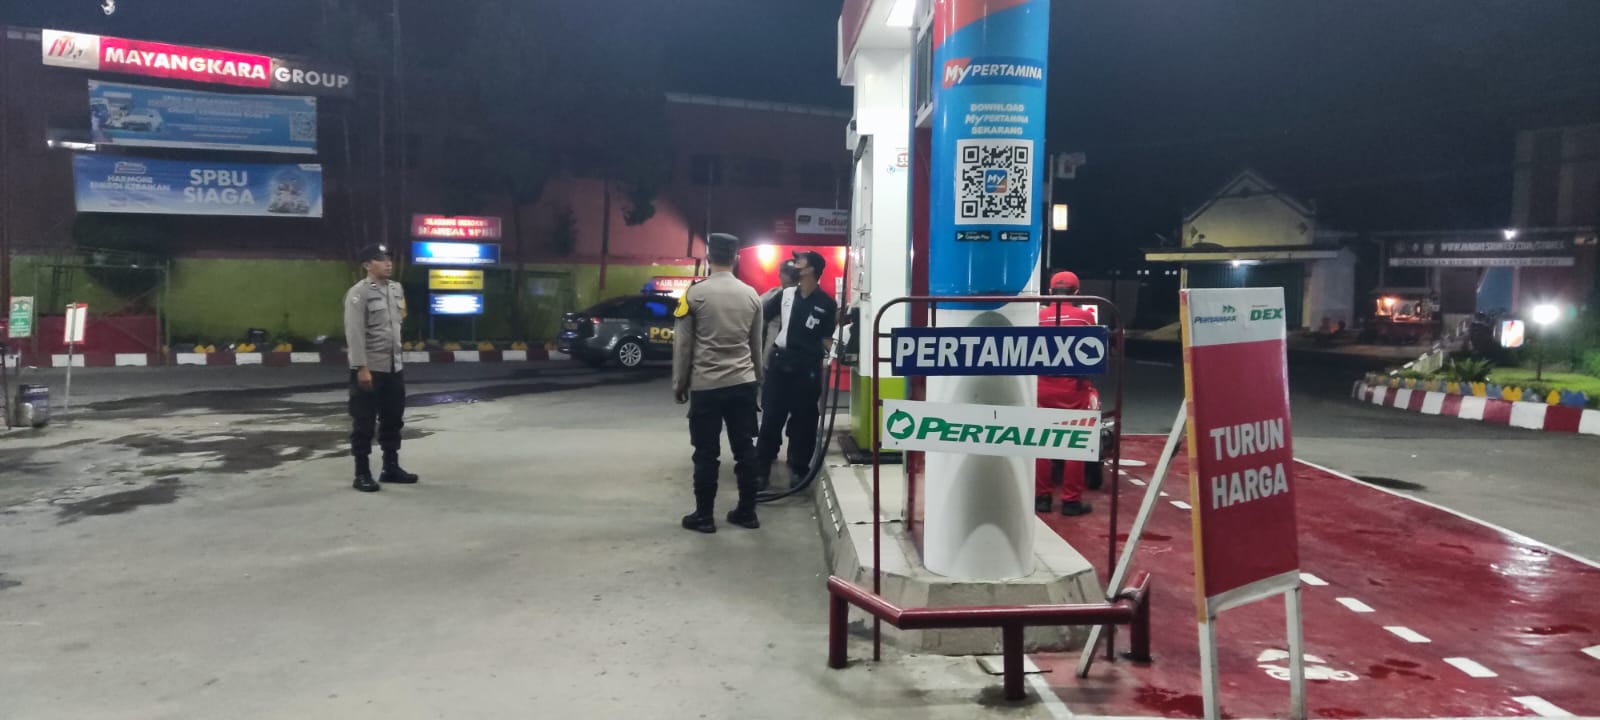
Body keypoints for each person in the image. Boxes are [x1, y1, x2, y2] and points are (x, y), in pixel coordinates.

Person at [673, 233, 766, 533]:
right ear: (736, 258)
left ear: (709, 257)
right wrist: (757, 380)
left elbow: (683, 346)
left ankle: (704, 517)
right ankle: (747, 513)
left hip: (707, 386)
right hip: (743, 383)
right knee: (745, 449)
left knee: (705, 453)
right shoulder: (751, 295)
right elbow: (756, 345)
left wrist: (680, 383)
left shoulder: (694, 295)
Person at [755, 250, 838, 489]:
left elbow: (826, 339)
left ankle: (799, 469)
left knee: (804, 421)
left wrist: (841, 350)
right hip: (780, 363)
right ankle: (761, 471)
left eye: (799, 261)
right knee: (771, 418)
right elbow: (760, 317)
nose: (794, 264)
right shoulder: (785, 295)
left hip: (807, 367)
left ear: (811, 269)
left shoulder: (826, 303)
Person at [344, 243, 419, 493]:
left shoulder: (396, 289)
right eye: (380, 259)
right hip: (370, 368)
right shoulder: (359, 293)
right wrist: (361, 367)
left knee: (393, 419)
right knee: (364, 422)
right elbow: (354, 333)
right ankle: (362, 473)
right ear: (367, 265)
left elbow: (397, 324)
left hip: (393, 367)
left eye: (388, 258)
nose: (388, 263)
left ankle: (390, 467)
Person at [1036, 270, 1098, 516]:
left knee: (1041, 442)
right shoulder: (1085, 318)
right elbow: (1095, 352)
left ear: (1051, 292)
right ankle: (1071, 501)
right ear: (1077, 292)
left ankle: (1042, 498)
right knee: (1074, 443)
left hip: (1041, 387)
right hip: (1073, 388)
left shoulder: (1037, 317)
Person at [761, 259, 801, 365]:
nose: (779, 275)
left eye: (783, 273)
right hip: (775, 358)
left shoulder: (779, 296)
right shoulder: (771, 295)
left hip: (782, 358)